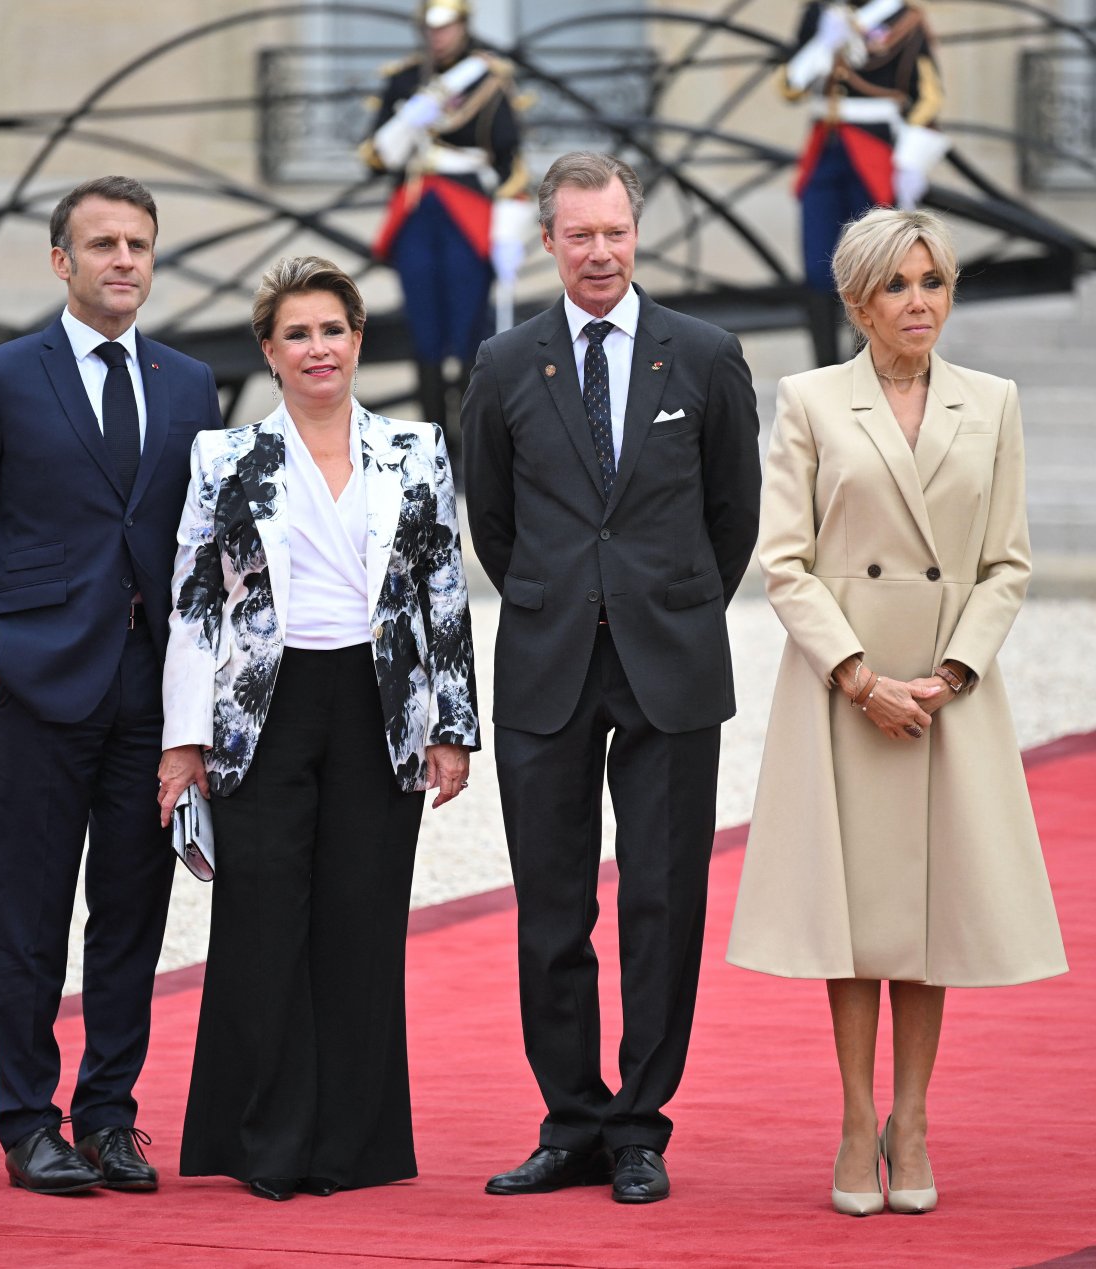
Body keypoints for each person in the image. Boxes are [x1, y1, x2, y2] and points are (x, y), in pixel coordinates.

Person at [726, 207, 1067, 1216]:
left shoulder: (993, 401)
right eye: (899, 286)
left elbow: (1008, 562)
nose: (921, 303)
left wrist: (953, 673)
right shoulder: (810, 400)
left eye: (935, 282)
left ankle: (910, 1122)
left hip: (949, 697)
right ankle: (852, 1116)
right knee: (861, 919)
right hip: (848, 695)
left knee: (931, 918)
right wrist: (859, 677)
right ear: (857, 302)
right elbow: (781, 560)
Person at [0, 176, 224, 1194]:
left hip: (152, 693)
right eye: (103, 245)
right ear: (63, 262)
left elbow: (203, 543)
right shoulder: (0, 377)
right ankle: (26, 1123)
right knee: (32, 917)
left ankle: (108, 1117)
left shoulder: (189, 384)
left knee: (131, 917)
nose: (124, 261)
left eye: (138, 244)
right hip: (37, 689)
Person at [463, 152, 761, 1204]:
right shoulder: (502, 364)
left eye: (617, 232)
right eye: (580, 234)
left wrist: (662, 603)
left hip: (670, 668)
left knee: (661, 903)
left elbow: (735, 518)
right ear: (548, 241)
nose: (600, 252)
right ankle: (570, 1121)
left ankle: (640, 1125)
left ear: (640, 235)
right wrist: (560, 596)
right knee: (550, 910)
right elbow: (491, 522)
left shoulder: (709, 355)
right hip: (546, 665)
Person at [157, 254, 480, 1201]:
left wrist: (452, 724)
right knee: (261, 923)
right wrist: (182, 741)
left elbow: (444, 593)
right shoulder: (225, 457)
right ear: (269, 348)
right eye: (296, 334)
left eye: (331, 330)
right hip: (262, 713)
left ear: (358, 339)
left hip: (380, 708)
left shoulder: (417, 448)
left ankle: (353, 1144)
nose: (316, 348)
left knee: (362, 921)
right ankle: (268, 1141)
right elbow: (192, 606)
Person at [360, 0, 530, 453]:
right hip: (417, 211)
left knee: (469, 327)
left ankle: (472, 441)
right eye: (432, 29)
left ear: (462, 27)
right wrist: (406, 124)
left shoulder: (488, 78)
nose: (438, 37)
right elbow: (375, 159)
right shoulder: (405, 78)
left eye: (447, 27)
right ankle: (435, 438)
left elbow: (510, 159)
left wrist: (509, 227)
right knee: (425, 328)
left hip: (467, 212)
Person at [782, 1, 947, 365]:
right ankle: (823, 372)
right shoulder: (820, 12)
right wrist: (822, 44)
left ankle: (866, 369)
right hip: (825, 148)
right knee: (817, 268)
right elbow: (789, 88)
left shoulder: (905, 19)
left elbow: (929, 96)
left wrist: (912, 160)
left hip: (875, 152)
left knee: (874, 267)